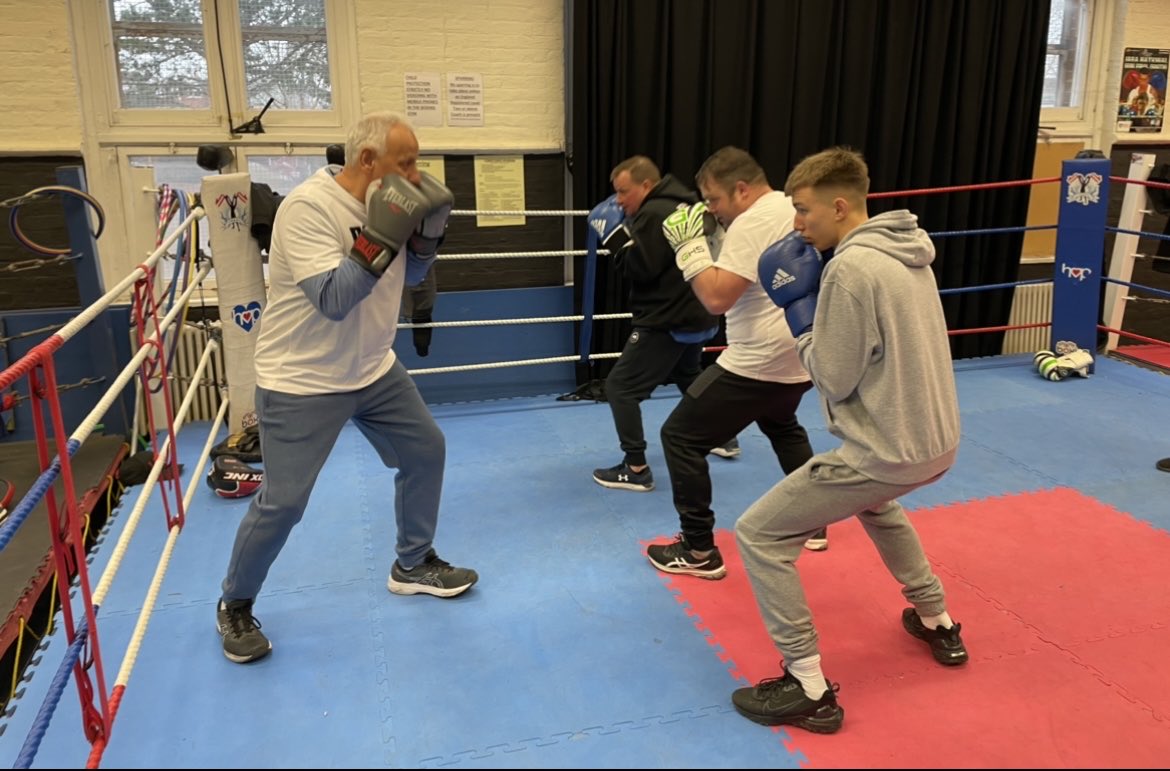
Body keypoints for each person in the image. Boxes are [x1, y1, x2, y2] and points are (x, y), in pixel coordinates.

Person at [215, 112, 478, 664]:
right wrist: (384, 231)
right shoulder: (307, 208)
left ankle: (413, 562)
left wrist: (426, 240)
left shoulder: (398, 204)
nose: (417, 172)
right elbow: (334, 299)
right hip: (302, 379)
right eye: (406, 161)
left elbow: (404, 278)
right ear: (367, 161)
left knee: (426, 450)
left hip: (372, 367)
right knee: (284, 502)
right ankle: (235, 603)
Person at [729, 147, 967, 734]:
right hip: (935, 442)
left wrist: (801, 316)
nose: (797, 225)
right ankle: (937, 620)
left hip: (885, 448)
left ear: (840, 206)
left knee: (759, 534)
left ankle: (807, 686)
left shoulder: (850, 270)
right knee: (878, 506)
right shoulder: (909, 252)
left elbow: (833, 375)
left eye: (805, 211)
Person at [646, 146, 826, 580]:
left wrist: (690, 251)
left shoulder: (752, 222)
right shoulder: (791, 207)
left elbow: (715, 296)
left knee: (680, 437)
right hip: (799, 356)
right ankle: (814, 522)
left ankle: (698, 551)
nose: (712, 210)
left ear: (741, 190)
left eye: (714, 200)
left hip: (757, 362)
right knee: (782, 426)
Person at [589, 156, 738, 492]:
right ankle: (724, 436)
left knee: (620, 388)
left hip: (666, 317)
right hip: (697, 311)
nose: (619, 201)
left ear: (646, 185)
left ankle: (636, 466)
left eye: (624, 192)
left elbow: (639, 268)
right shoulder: (689, 206)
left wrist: (613, 237)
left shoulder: (654, 214)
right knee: (688, 374)